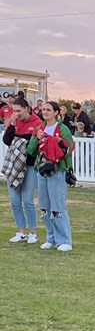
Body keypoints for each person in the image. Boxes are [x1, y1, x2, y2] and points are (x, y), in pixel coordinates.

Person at [26, 100, 74, 251]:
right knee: (45, 205)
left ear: (56, 113)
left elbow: (69, 148)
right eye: (43, 109)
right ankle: (51, 238)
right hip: (41, 169)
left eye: (48, 109)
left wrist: (54, 141)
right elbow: (31, 150)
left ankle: (64, 240)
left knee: (58, 205)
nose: (45, 112)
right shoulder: (40, 127)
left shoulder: (63, 129)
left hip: (57, 170)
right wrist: (36, 138)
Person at [2, 97, 43, 244]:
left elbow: (35, 147)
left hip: (29, 166)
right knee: (14, 201)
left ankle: (33, 232)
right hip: (14, 164)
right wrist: (12, 125)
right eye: (14, 111)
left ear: (27, 109)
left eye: (18, 111)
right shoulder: (14, 122)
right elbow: (6, 141)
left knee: (27, 200)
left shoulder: (37, 123)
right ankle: (21, 231)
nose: (16, 114)